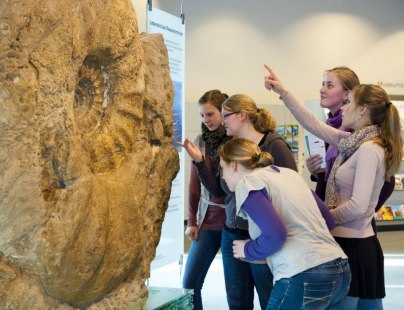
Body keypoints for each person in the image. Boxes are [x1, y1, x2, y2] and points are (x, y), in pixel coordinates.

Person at [264, 65, 403, 309]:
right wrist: (283, 91)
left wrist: (323, 218)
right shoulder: (352, 141)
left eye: (349, 103)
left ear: (362, 111)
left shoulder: (370, 148)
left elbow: (359, 206)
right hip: (347, 241)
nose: (344, 108)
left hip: (356, 246)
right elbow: (312, 124)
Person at [180, 94, 297, 309]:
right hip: (232, 232)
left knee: (269, 298)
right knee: (237, 300)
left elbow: (292, 190)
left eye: (225, 115)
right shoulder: (234, 147)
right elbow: (218, 190)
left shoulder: (275, 145)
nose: (221, 121)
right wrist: (199, 162)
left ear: (242, 115)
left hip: (262, 235)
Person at [219, 137, 350, 310]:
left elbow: (275, 235)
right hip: (340, 269)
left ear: (234, 165)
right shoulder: (290, 174)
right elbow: (328, 220)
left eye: (222, 168)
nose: (222, 176)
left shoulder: (248, 182)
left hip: (302, 273)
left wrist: (248, 249)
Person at [180, 90, 230, 310]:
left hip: (233, 222)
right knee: (190, 284)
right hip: (208, 221)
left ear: (223, 112)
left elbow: (222, 189)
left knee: (236, 289)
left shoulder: (235, 140)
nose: (206, 120)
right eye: (202, 115)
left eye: (210, 114)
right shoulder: (199, 140)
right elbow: (194, 184)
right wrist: (192, 221)